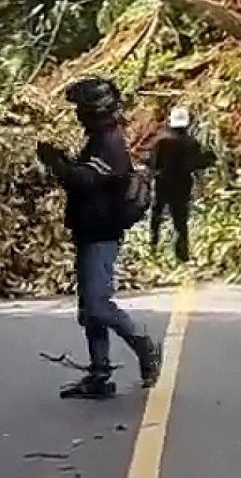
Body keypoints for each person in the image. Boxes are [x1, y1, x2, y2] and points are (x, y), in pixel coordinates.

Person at [37, 77, 163, 399]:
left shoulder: (109, 143)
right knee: (89, 310)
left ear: (95, 110)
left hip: (101, 235)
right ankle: (99, 375)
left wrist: (57, 164)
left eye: (81, 108)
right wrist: (64, 162)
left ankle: (144, 345)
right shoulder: (99, 139)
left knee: (97, 305)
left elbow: (87, 181)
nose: (77, 114)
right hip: (90, 231)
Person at [150, 106, 214, 262]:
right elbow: (197, 164)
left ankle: (153, 245)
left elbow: (153, 164)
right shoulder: (191, 143)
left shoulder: (161, 141)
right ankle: (182, 254)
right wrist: (210, 158)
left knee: (157, 214)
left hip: (163, 183)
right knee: (180, 220)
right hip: (182, 184)